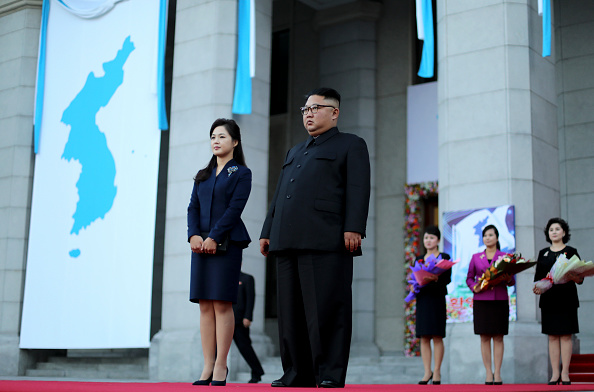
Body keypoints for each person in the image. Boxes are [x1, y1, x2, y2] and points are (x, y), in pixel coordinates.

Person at [260, 87, 371, 388]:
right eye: (305, 110)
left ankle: (329, 374)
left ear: (334, 112)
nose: (308, 114)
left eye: (315, 108)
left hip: (327, 239)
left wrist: (354, 227)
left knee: (326, 311)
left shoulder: (351, 144)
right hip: (285, 240)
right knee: (290, 313)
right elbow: (280, 194)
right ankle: (296, 372)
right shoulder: (295, 151)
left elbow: (358, 189)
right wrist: (268, 230)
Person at [187, 118, 252, 387]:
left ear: (235, 142)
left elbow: (234, 210)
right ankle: (207, 365)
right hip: (200, 246)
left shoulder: (241, 173)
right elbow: (193, 208)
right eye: (213, 136)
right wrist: (193, 235)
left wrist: (214, 236)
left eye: (222, 136)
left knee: (222, 304)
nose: (216, 140)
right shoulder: (203, 174)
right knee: (204, 305)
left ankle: (221, 365)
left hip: (226, 245)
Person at [533, 217, 582, 385]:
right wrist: (537, 288)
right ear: (548, 233)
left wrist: (574, 276)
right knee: (552, 337)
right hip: (549, 299)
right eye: (551, 229)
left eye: (557, 229)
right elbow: (538, 278)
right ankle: (555, 374)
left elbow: (580, 278)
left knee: (566, 336)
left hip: (567, 298)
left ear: (564, 232)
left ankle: (565, 373)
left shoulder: (571, 251)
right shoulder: (543, 253)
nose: (554, 231)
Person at [466, 224, 514, 385]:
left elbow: (512, 280)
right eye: (485, 235)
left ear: (497, 238)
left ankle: (498, 373)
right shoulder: (475, 257)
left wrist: (506, 277)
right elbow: (469, 278)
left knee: (499, 337)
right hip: (481, 300)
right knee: (484, 337)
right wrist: (475, 287)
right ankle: (488, 372)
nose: (488, 238)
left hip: (499, 299)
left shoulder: (505, 256)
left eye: (491, 235)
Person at [415, 226, 451, 385]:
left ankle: (437, 371)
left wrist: (435, 278)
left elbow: (448, 279)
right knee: (424, 336)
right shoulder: (419, 259)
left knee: (436, 335)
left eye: (431, 238)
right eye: (426, 238)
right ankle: (426, 371)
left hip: (437, 298)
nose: (428, 241)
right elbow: (415, 278)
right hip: (423, 299)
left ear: (438, 240)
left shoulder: (444, 257)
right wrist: (413, 285)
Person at [232, 271, 265, 383]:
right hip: (224, 320)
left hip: (240, 320)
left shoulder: (247, 278)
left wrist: (248, 317)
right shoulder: (224, 278)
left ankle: (257, 371)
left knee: (244, 347)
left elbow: (251, 298)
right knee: (217, 348)